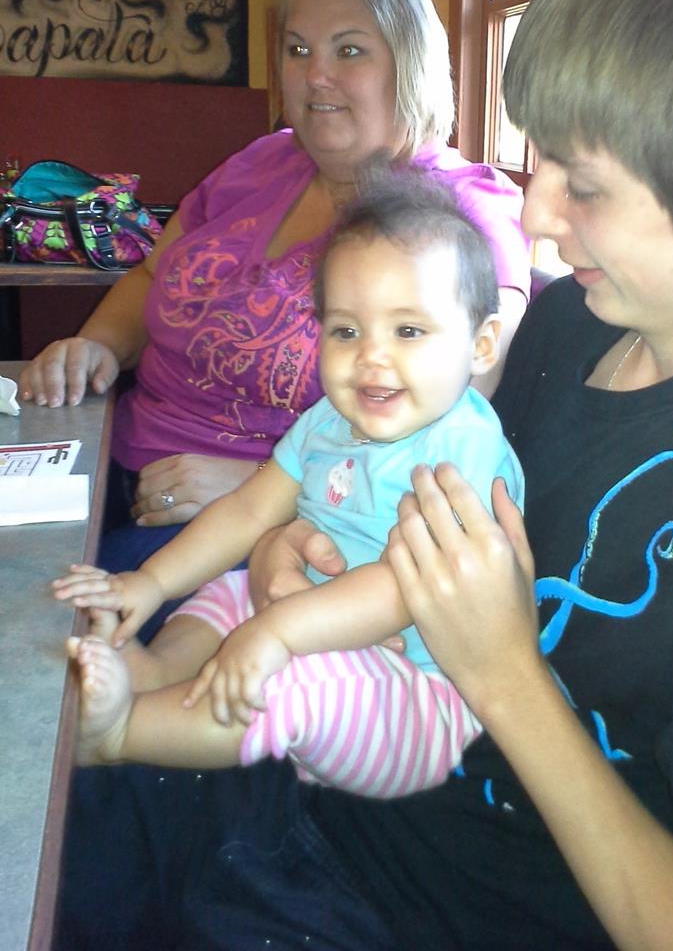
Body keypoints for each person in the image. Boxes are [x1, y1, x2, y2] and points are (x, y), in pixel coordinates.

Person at [53, 0, 673, 951]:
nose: (535, 212)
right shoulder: (575, 324)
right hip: (304, 772)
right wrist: (284, 551)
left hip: (415, 911)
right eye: (540, 162)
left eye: (584, 186)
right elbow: (372, 478)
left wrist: (503, 675)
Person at [20, 0, 530, 613]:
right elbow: (150, 273)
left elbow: (448, 414)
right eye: (297, 50)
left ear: (411, 66)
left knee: (43, 626)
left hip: (267, 529)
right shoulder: (260, 162)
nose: (316, 75)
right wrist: (96, 346)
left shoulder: (463, 213)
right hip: (107, 455)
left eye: (350, 50)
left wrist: (264, 482)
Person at [54, 172, 524, 799]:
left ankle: (120, 735)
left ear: (482, 344)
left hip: (416, 694)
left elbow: (407, 590)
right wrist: (153, 582)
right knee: (225, 597)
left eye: (408, 331)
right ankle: (158, 673)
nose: (371, 357)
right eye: (346, 331)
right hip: (310, 618)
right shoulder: (327, 422)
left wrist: (279, 632)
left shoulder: (462, 449)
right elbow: (250, 511)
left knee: (293, 682)